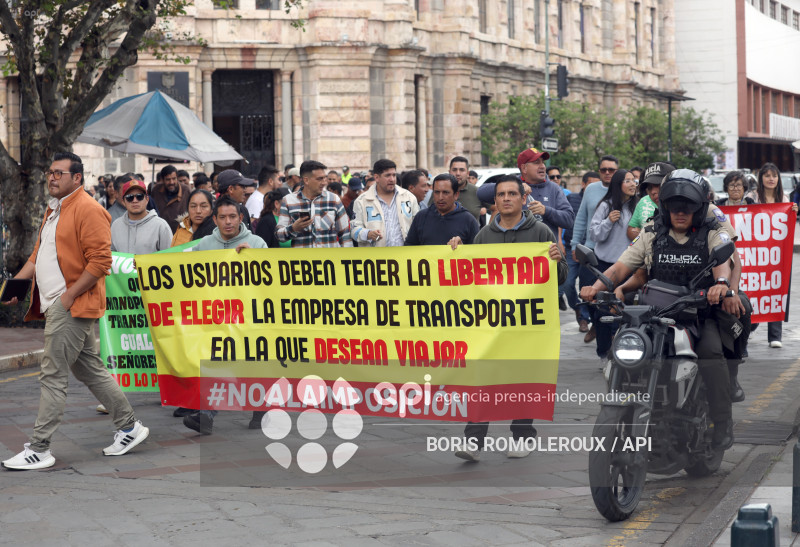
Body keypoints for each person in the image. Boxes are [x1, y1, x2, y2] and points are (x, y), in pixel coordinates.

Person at [1, 152, 149, 470]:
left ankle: (40, 448)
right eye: (50, 172)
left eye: (58, 173)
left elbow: (101, 261)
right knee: (88, 369)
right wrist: (15, 285)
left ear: (77, 178)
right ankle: (130, 427)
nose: (51, 177)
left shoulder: (89, 210)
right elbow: (38, 255)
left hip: (71, 305)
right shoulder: (54, 209)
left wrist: (68, 297)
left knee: (53, 375)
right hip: (60, 302)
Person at [580, 169, 736, 449]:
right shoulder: (652, 233)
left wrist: (721, 283)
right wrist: (596, 286)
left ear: (699, 209)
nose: (680, 212)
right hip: (656, 312)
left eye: (687, 207)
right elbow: (621, 266)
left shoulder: (711, 232)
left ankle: (722, 423)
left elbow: (723, 261)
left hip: (699, 312)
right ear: (665, 207)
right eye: (674, 207)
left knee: (711, 354)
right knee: (624, 347)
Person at [454, 176, 567, 462]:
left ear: (521, 198)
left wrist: (557, 260)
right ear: (495, 200)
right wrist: (453, 252)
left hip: (528, 324)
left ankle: (523, 436)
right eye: (501, 194)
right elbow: (468, 276)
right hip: (492, 324)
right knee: (485, 380)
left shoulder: (541, 232)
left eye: (511, 194)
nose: (506, 198)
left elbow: (560, 278)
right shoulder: (483, 236)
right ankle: (474, 441)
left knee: (522, 380)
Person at [180, 196, 268, 435]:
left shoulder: (257, 243)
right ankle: (205, 415)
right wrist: (147, 266)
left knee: (251, 364)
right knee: (215, 362)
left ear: (241, 218)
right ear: (215, 220)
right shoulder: (204, 244)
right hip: (215, 317)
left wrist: (255, 260)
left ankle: (260, 407)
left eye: (232, 217)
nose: (228, 222)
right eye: (222, 217)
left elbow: (271, 281)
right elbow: (180, 268)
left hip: (250, 317)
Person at [588, 169, 639, 363]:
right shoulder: (606, 206)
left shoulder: (638, 206)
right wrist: (608, 221)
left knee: (627, 311)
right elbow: (594, 235)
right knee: (602, 311)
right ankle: (604, 353)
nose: (633, 184)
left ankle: (627, 352)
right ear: (618, 185)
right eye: (628, 181)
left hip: (629, 267)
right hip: (605, 265)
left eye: (634, 180)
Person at [745, 162, 798, 348]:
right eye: (766, 175)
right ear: (761, 179)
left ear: (778, 179)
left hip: (777, 253)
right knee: (755, 290)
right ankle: (750, 325)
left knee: (777, 289)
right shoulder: (751, 197)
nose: (770, 179)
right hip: (756, 253)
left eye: (774, 175)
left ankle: (775, 336)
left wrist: (793, 212)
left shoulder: (783, 198)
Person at [570, 155, 620, 343]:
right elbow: (581, 219)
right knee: (587, 292)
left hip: (615, 254)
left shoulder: (625, 190)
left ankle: (608, 333)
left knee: (612, 298)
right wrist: (575, 245)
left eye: (611, 170)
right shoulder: (591, 189)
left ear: (617, 172)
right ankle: (596, 326)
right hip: (590, 251)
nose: (607, 173)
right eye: (603, 170)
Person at [276, 160, 353, 248]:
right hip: (301, 261)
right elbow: (279, 236)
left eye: (325, 178)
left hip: (329, 260)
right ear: (306, 180)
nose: (324, 182)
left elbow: (345, 236)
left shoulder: (334, 200)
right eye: (320, 179)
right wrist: (294, 228)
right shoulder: (288, 200)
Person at [351, 159, 419, 247]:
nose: (392, 179)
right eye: (387, 175)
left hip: (404, 257)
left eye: (394, 175)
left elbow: (418, 226)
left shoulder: (409, 197)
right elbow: (354, 230)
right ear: (376, 177)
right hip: (376, 258)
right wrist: (368, 234)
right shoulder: (362, 201)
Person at [564, 171, 599, 333]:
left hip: (592, 250)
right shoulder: (572, 199)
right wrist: (571, 245)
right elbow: (570, 221)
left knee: (587, 286)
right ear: (583, 185)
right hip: (574, 248)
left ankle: (585, 319)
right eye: (590, 184)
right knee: (568, 284)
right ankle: (577, 308)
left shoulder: (602, 199)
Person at [404, 174, 480, 247]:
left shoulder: (468, 220)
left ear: (456, 195)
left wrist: (461, 248)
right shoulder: (421, 217)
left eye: (445, 193)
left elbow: (476, 254)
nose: (440, 197)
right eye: (437, 192)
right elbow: (409, 248)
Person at [111, 178, 173, 254]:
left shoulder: (161, 226)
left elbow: (170, 257)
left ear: (147, 199)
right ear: (123, 201)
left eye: (139, 196)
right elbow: (112, 255)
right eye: (129, 197)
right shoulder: (115, 226)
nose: (135, 200)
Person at [627, 162, 674, 241]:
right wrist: (642, 236)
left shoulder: (687, 211)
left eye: (658, 185)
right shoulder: (644, 202)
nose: (653, 192)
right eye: (649, 187)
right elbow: (631, 229)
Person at [150, 164, 192, 233]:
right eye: (168, 179)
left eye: (174, 179)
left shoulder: (186, 190)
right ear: (162, 179)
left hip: (181, 233)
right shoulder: (156, 190)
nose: (171, 182)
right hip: (160, 231)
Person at [450, 156, 482, 222]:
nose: (458, 173)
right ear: (449, 172)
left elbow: (495, 209)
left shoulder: (477, 191)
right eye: (454, 170)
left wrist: (488, 230)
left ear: (467, 173)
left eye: (462, 170)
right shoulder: (440, 191)